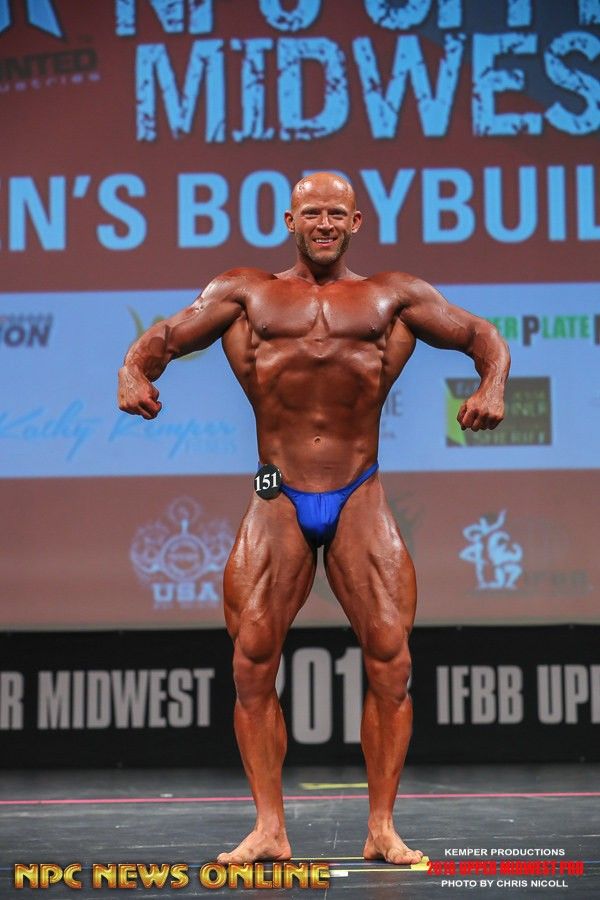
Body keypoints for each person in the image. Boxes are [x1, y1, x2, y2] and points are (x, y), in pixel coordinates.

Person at [117, 172, 510, 865]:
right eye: (311, 213)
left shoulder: (393, 295)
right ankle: (269, 828)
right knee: (251, 661)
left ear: (356, 221)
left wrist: (493, 384)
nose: (323, 223)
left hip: (359, 487)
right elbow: (168, 335)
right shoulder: (245, 292)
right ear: (289, 220)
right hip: (276, 487)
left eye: (335, 213)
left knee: (391, 659)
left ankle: (382, 828)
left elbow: (480, 334)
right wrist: (133, 370)